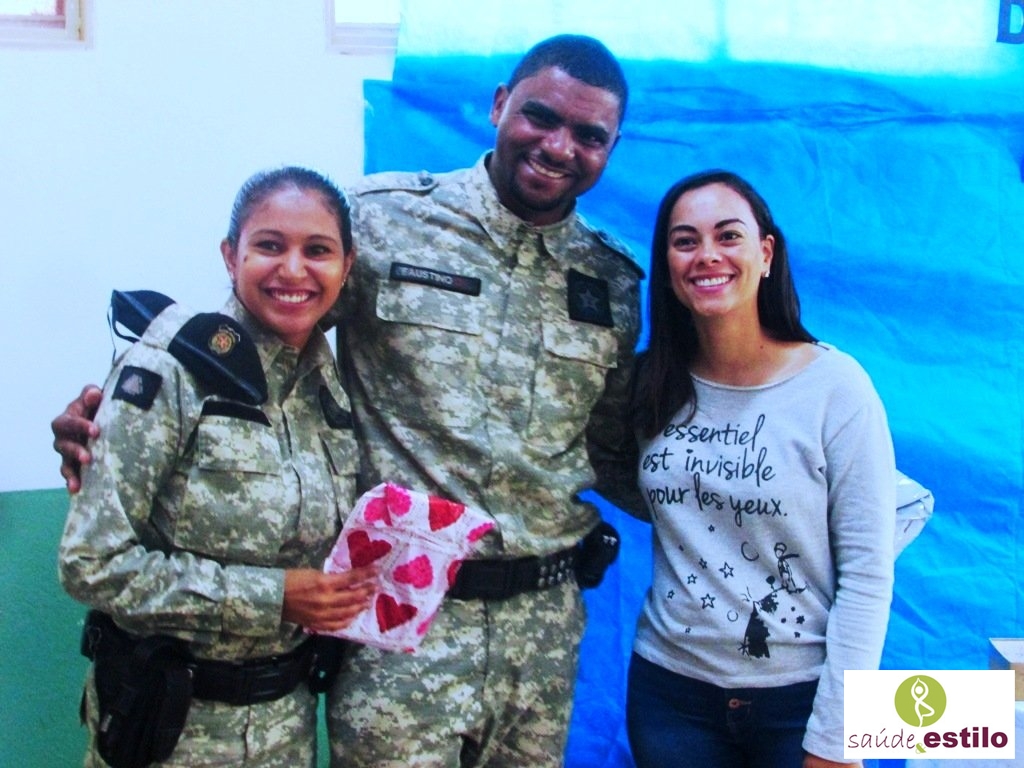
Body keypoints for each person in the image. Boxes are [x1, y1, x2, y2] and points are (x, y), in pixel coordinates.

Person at [53, 35, 643, 767]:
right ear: (499, 105)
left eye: (589, 135)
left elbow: (610, 444)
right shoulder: (383, 218)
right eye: (540, 116)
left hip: (543, 631)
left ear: (612, 147)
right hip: (401, 617)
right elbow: (255, 337)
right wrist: (116, 410)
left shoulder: (612, 280)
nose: (558, 147)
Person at [58, 167, 378, 767]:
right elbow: (90, 564)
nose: (293, 270)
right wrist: (273, 597)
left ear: (347, 266)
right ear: (231, 257)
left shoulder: (330, 389)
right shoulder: (169, 369)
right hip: (168, 730)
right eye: (269, 246)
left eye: (318, 251)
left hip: (286, 730)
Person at [624, 169, 896, 768]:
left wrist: (839, 737)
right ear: (666, 265)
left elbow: (868, 573)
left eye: (728, 236)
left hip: (800, 701)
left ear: (766, 253)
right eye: (685, 241)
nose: (707, 255)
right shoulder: (648, 385)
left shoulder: (837, 388)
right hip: (670, 698)